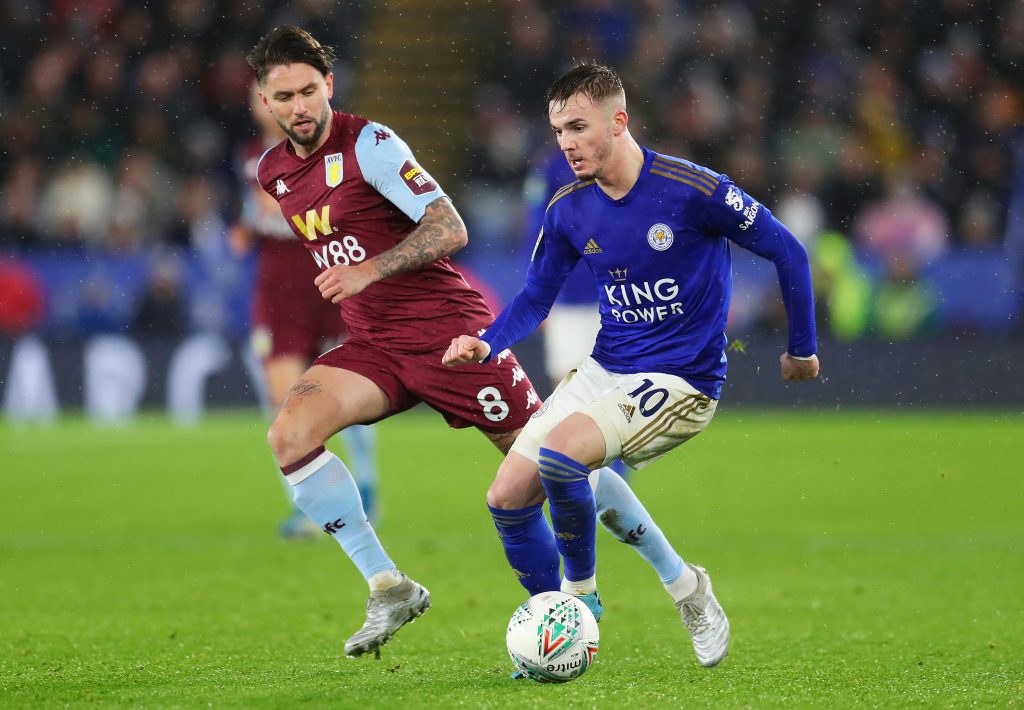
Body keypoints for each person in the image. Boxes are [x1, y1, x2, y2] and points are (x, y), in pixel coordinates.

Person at [246, 28, 693, 660]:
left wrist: (370, 270)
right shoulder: (273, 171)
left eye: (310, 91)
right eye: (284, 95)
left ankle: (680, 579)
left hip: (450, 336)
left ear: (330, 87)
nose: (299, 107)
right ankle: (388, 585)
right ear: (265, 102)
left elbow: (448, 226)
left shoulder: (370, 144)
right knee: (289, 433)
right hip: (376, 344)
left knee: (561, 468)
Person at [444, 63, 820, 668]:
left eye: (577, 126)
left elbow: (788, 250)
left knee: (566, 456)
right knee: (508, 496)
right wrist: (488, 342)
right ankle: (648, 602)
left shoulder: (694, 190)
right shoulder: (568, 209)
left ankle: (580, 607)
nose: (565, 142)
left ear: (619, 121)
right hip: (607, 366)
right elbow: (536, 296)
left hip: (682, 380)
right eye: (557, 130)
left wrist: (801, 348)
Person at [229, 81, 379, 537]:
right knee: (284, 399)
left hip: (329, 282)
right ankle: (309, 507)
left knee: (344, 397)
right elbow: (262, 214)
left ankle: (366, 485)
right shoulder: (250, 158)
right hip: (278, 293)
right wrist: (247, 228)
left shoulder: (330, 152)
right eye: (263, 95)